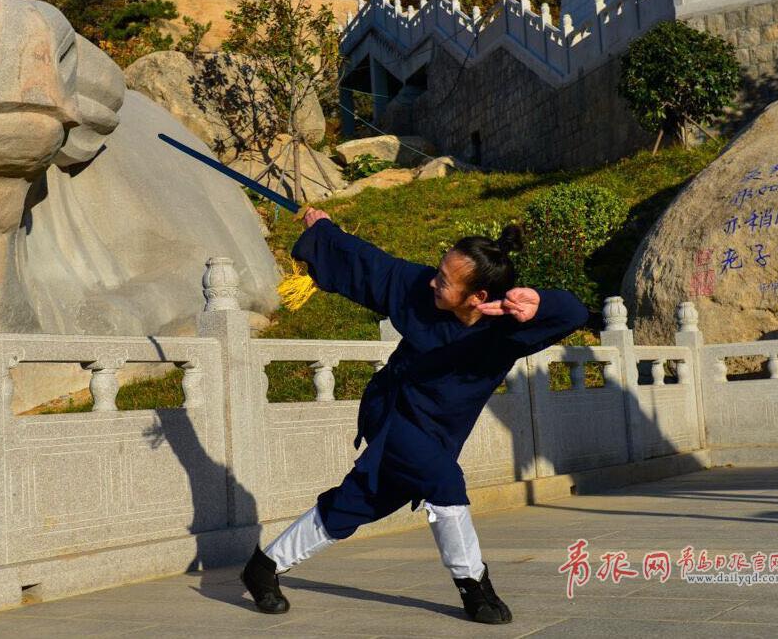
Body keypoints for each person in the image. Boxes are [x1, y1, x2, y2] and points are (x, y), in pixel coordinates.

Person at [240, 206, 589, 624]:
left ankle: (264, 566)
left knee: (361, 500)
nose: (432, 281)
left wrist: (540, 301)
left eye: (445, 280)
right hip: (391, 412)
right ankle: (474, 587)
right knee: (443, 480)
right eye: (439, 270)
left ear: (477, 296)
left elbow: (573, 313)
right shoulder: (421, 292)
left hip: (438, 431)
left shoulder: (505, 329)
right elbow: (373, 265)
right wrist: (324, 230)